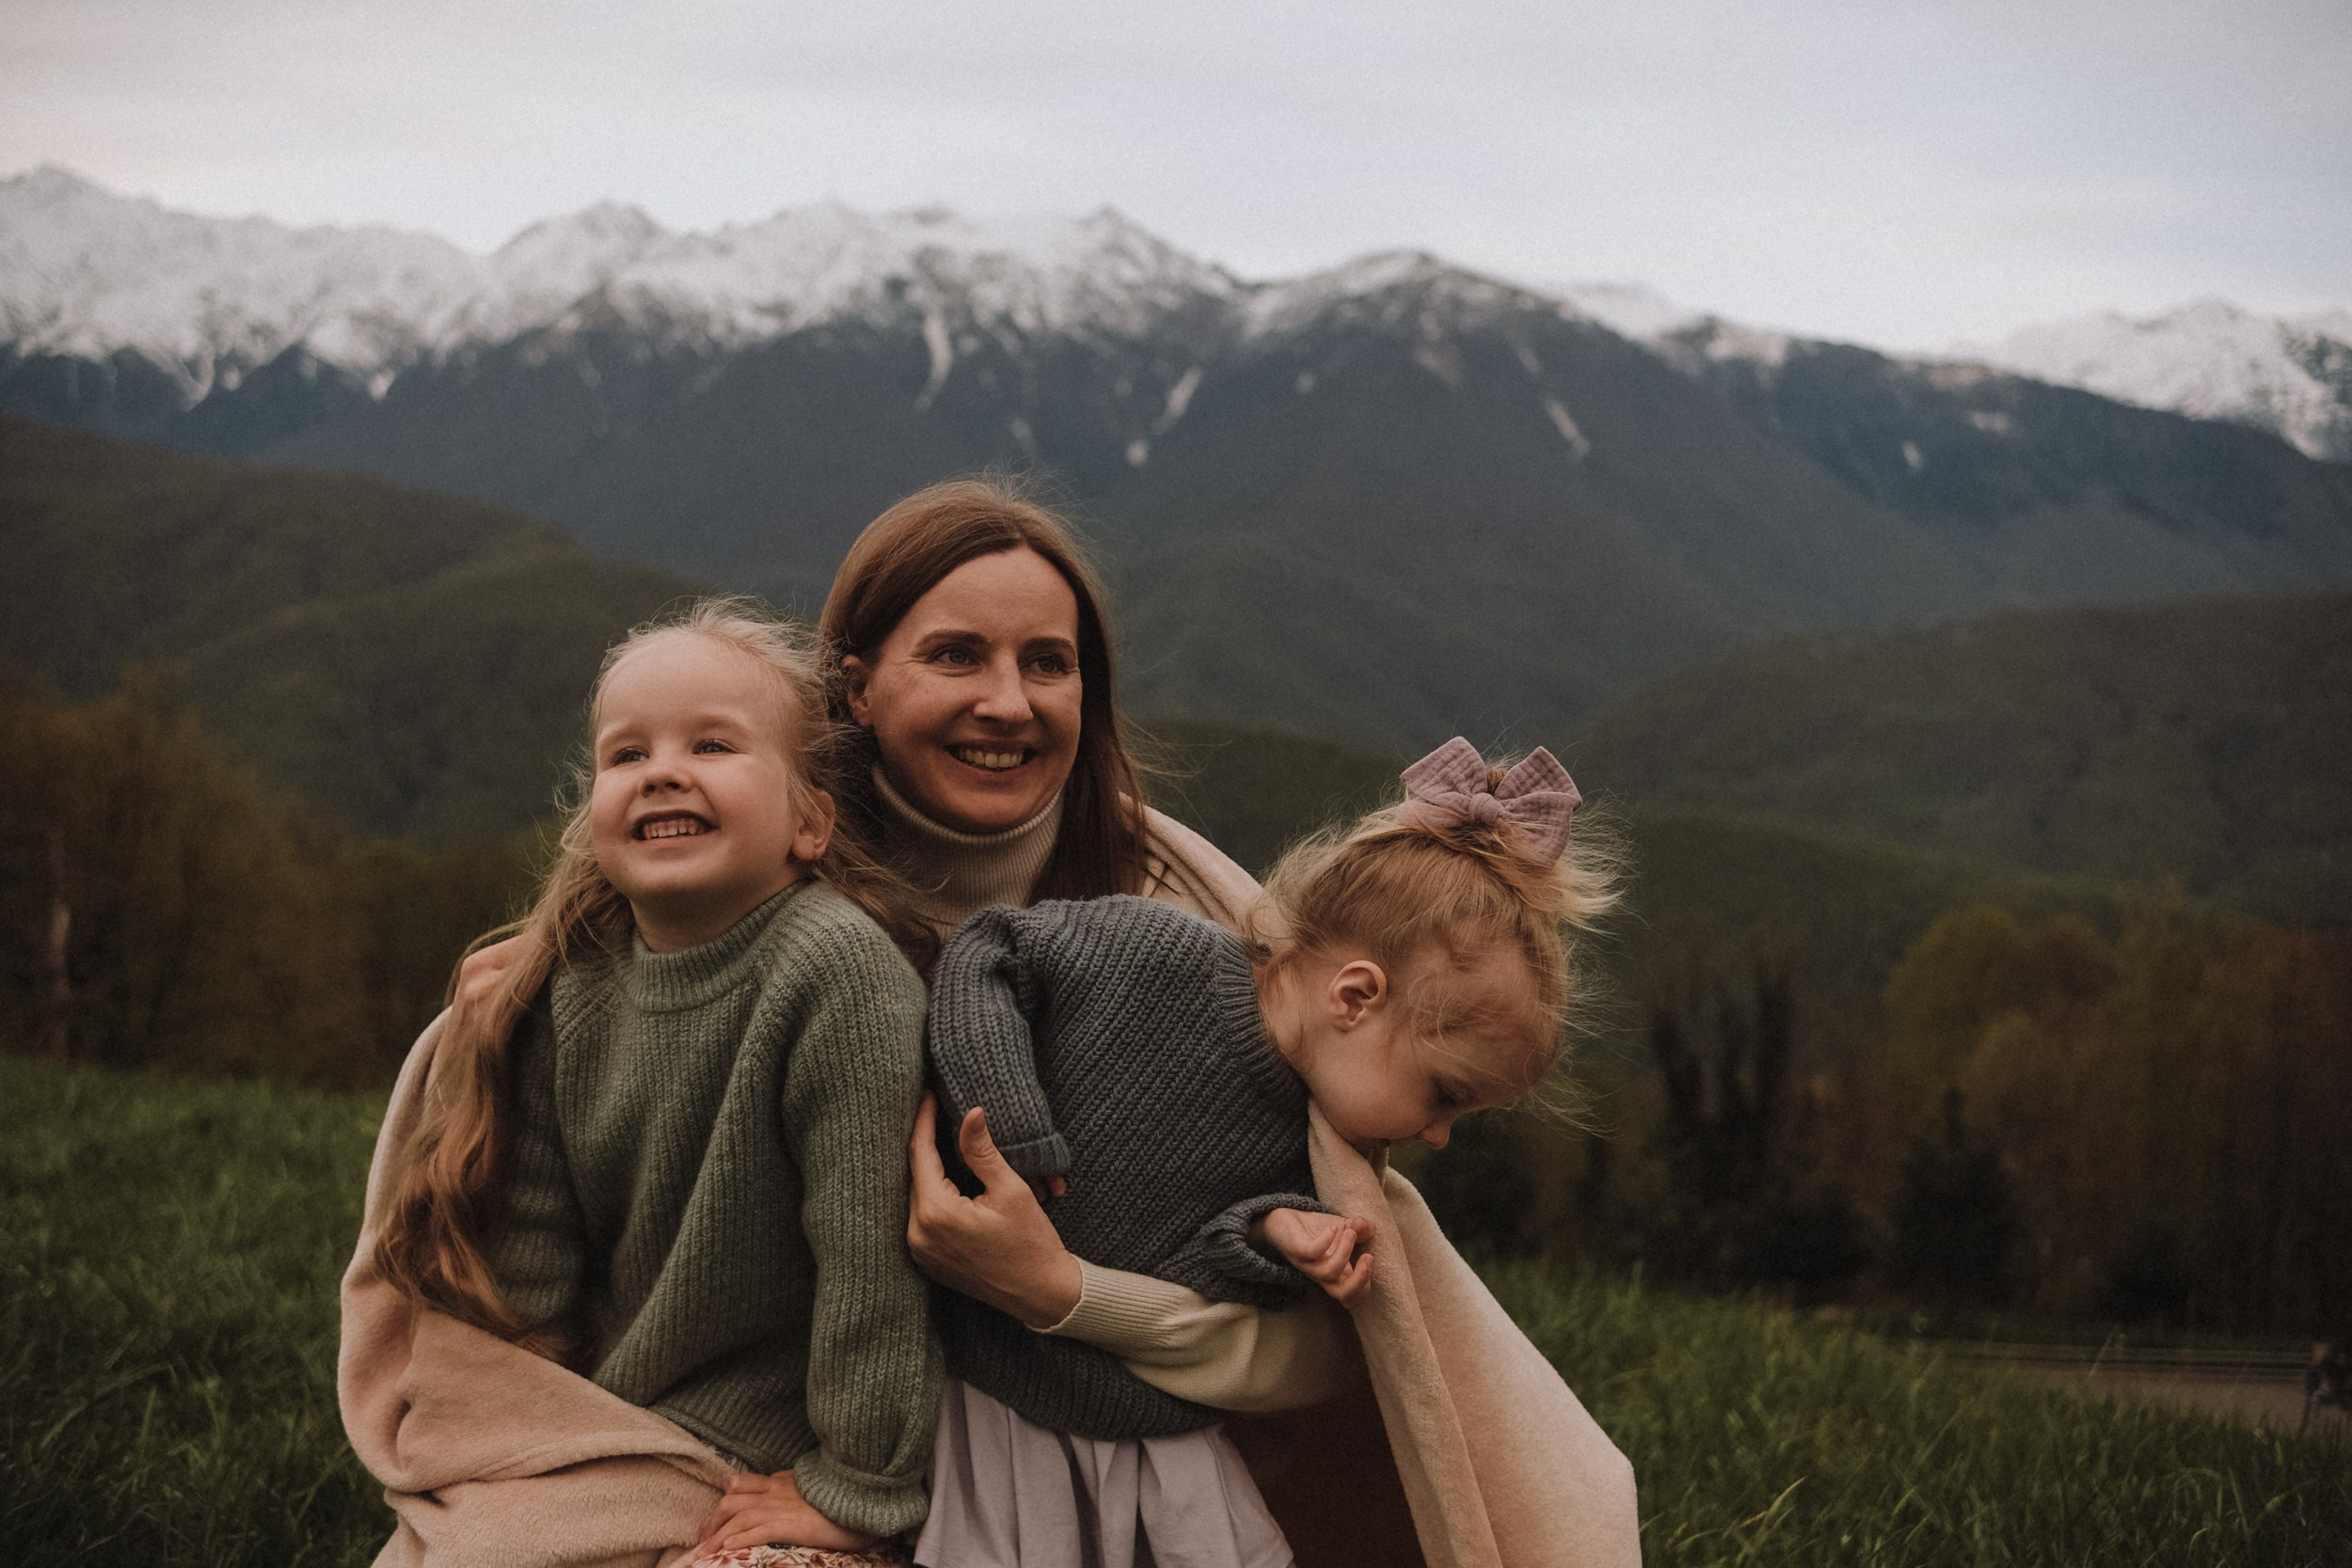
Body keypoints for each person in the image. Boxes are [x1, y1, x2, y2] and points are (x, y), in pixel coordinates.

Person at [910, 737, 1610, 1568]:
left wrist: (1277, 1234)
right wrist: (1010, 1112)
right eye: (1444, 1094)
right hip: (991, 1402)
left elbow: (1194, 1263)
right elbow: (991, 950)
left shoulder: (1317, 1148)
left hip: (1152, 1445)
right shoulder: (1149, 950)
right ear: (1355, 996)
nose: (1437, 1134)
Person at [348, 601, 941, 1564]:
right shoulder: (572, 984)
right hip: (614, 1426)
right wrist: (515, 1432)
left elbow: (869, 1262)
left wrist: (858, 1486)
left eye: (712, 744)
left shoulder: (838, 971)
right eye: (627, 755)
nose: (663, 769)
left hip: (776, 1454)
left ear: (809, 819)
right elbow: (533, 1244)